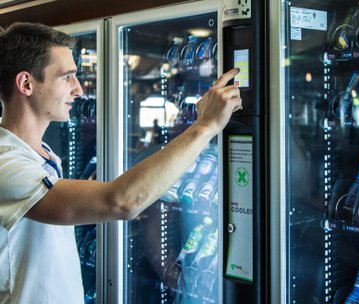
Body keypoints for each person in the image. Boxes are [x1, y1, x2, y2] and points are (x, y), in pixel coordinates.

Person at [0, 22, 241, 304]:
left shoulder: (42, 154)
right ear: (26, 83)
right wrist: (206, 126)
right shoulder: (7, 163)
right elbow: (122, 201)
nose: (78, 90)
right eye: (67, 77)